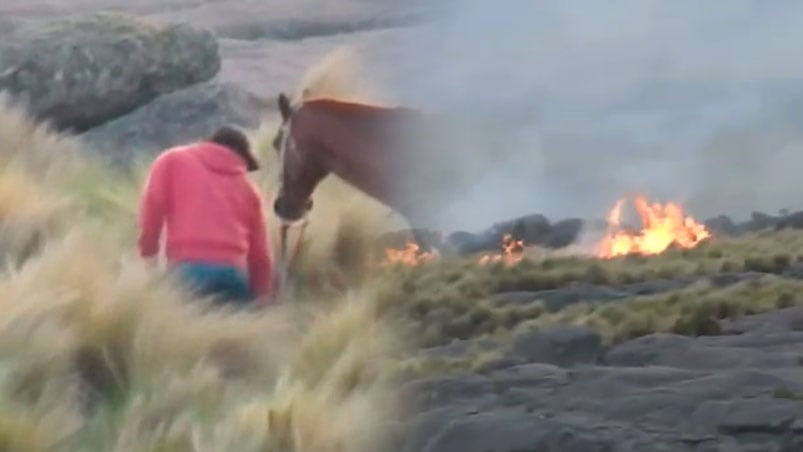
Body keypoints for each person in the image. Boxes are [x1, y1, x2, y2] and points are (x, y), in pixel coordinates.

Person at [136, 125, 275, 307]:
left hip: (188, 269)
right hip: (233, 275)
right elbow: (260, 253)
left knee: (178, 332)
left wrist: (149, 252)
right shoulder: (249, 189)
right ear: (242, 157)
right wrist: (263, 295)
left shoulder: (173, 160)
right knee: (235, 333)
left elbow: (153, 205)